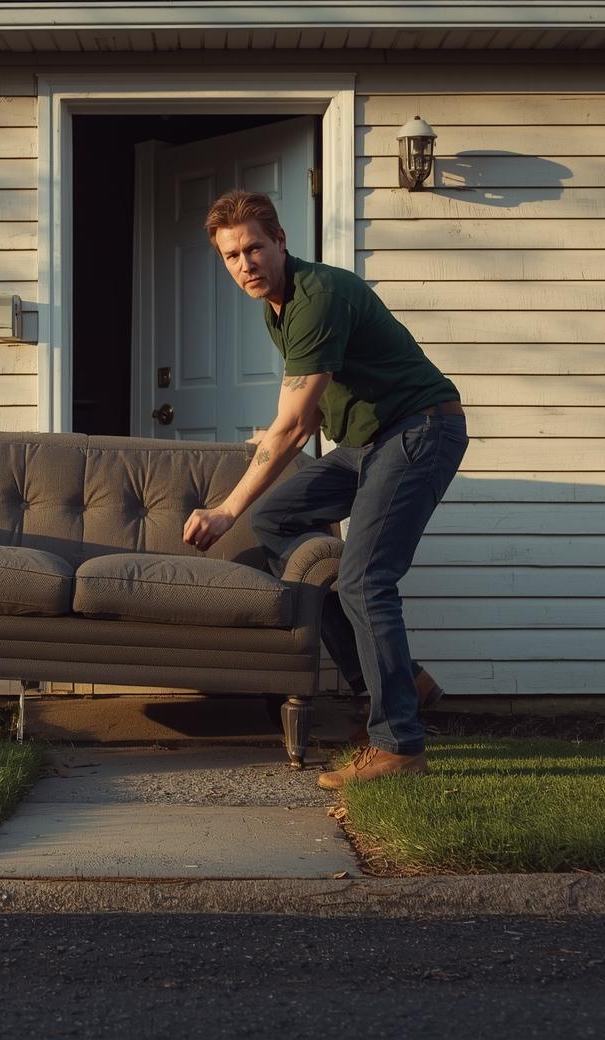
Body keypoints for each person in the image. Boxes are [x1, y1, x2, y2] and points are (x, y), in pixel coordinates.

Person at [181, 189, 468, 785]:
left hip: (418, 431)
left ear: (281, 241)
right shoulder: (277, 308)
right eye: (231, 256)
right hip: (366, 444)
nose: (245, 265)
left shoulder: (317, 296)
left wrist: (226, 509)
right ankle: (395, 683)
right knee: (278, 517)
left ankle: (399, 745)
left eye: (254, 248)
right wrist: (276, 440)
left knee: (365, 578)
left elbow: (293, 425)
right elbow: (302, 413)